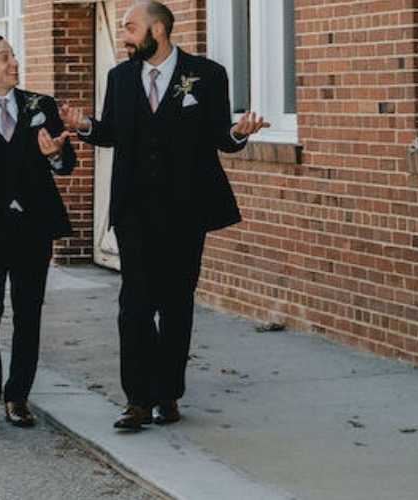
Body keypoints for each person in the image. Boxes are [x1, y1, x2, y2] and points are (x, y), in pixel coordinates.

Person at [60, 0, 267, 431]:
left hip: (186, 211)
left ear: (159, 29)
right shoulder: (119, 77)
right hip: (133, 210)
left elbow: (218, 136)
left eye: (131, 27)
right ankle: (137, 400)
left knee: (175, 304)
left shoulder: (207, 74)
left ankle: (168, 394)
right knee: (133, 305)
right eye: (123, 29)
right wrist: (85, 127)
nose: (125, 36)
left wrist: (238, 133)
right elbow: (113, 133)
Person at [0, 34, 78, 433]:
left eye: (13, 56)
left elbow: (66, 164)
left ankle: (17, 397)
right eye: (4, 57)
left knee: (29, 312)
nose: (14, 63)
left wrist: (55, 154)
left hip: (33, 226)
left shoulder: (39, 105)